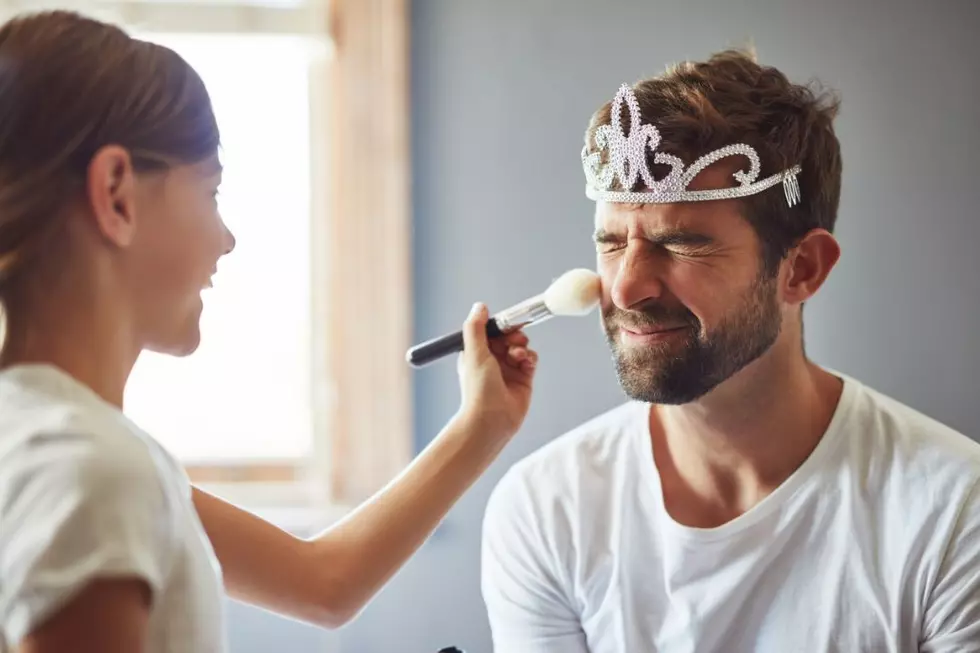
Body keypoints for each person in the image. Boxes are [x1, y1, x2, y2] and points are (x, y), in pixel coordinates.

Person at [0, 10, 539, 653]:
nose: (226, 240)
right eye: (211, 190)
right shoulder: (96, 471)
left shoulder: (54, 447)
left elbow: (322, 584)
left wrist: (481, 425)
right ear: (116, 193)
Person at [481, 49, 980, 652]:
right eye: (612, 243)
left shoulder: (955, 513)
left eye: (683, 243)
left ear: (802, 269)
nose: (626, 287)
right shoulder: (546, 509)